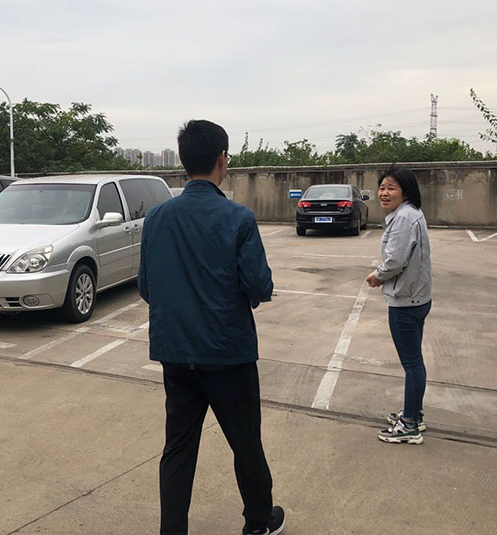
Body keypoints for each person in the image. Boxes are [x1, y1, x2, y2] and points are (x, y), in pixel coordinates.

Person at [138, 119, 285, 535]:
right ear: (223, 159)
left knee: (178, 447)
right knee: (245, 441)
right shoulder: (238, 218)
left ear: (183, 161)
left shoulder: (157, 218)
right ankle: (258, 522)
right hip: (227, 354)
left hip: (175, 352)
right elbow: (258, 284)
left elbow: (147, 287)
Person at [365, 165, 432, 445]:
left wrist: (378, 276)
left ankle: (410, 426)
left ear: (405, 191)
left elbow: (395, 260)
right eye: (382, 187)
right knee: (414, 362)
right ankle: (414, 413)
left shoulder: (404, 218)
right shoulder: (410, 213)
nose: (384, 193)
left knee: (412, 364)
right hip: (417, 296)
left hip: (406, 300)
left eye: (391, 188)